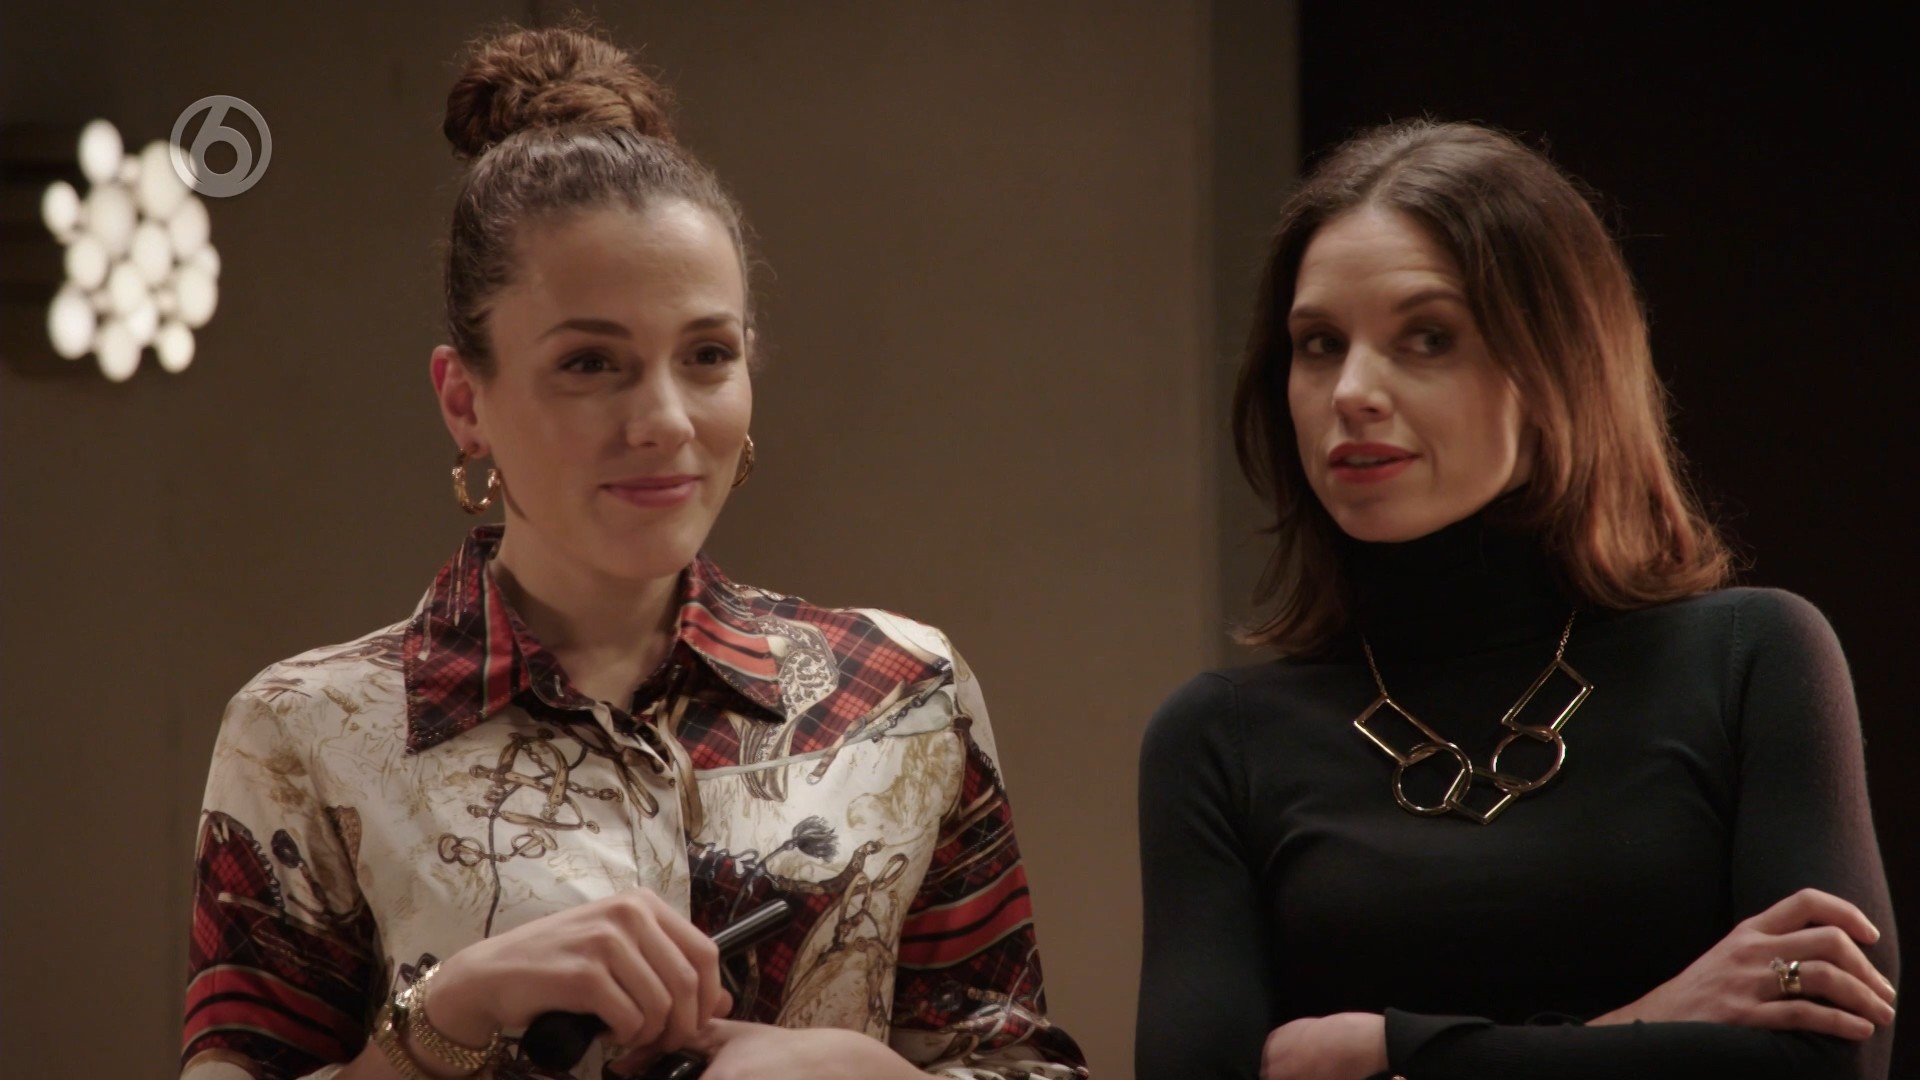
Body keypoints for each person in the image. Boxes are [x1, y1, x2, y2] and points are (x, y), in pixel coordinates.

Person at [180, 26, 1086, 1080]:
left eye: (707, 354)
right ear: (465, 402)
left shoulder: (902, 696)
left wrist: (854, 1074)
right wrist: (455, 1010)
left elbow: (1026, 1064)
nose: (664, 420)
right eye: (590, 363)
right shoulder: (307, 732)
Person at [1135, 120, 1899, 1080]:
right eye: (1320, 344)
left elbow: (1826, 1066)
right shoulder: (1219, 740)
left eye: (1428, 337)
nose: (1352, 391)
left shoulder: (1753, 659)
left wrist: (1386, 1050)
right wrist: (1647, 1023)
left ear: (1558, 364)